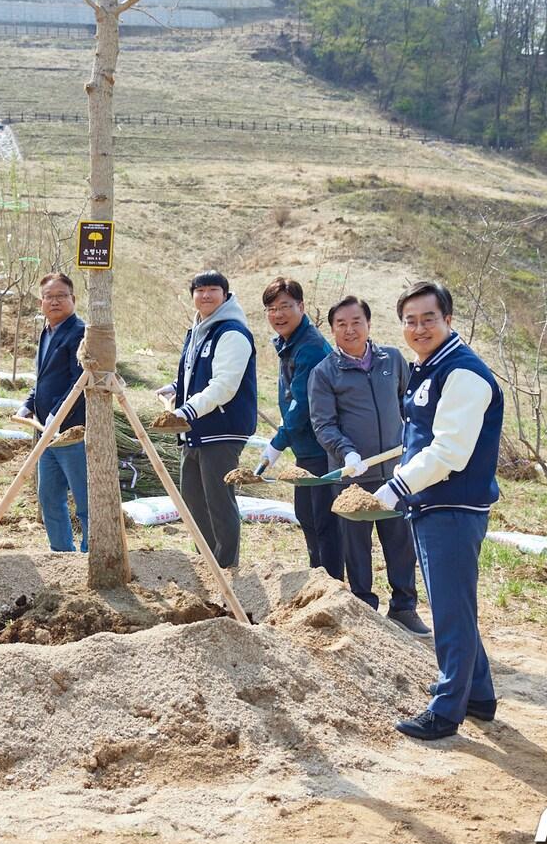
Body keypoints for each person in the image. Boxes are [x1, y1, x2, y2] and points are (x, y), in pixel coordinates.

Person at [372, 281, 504, 740]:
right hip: (432, 503)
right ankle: (479, 695)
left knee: (450, 610)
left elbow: (450, 451)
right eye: (410, 320)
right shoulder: (431, 367)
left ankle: (446, 712)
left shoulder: (463, 373)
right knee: (456, 606)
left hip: (453, 505)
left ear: (448, 319)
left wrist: (396, 485)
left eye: (429, 318)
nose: (419, 328)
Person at [308, 295, 430, 637]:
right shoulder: (325, 373)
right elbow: (324, 424)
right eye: (341, 325)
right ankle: (365, 608)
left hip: (395, 474)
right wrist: (346, 453)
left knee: (400, 542)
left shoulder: (391, 359)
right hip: (353, 478)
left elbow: (412, 403)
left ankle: (404, 608)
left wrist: (413, 438)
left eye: (356, 322)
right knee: (356, 547)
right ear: (332, 330)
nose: (349, 330)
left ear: (368, 324)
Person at [155, 270, 257, 569]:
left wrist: (185, 411)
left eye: (213, 289)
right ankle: (207, 563)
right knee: (194, 502)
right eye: (200, 290)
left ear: (225, 295)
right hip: (195, 429)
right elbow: (199, 372)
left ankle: (226, 568)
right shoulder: (200, 329)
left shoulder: (232, 332)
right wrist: (177, 389)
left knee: (219, 504)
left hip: (221, 429)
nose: (206, 295)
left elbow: (224, 385)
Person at [256, 277, 340, 576]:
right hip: (306, 448)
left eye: (285, 306)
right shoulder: (290, 343)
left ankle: (332, 584)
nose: (277, 314)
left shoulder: (311, 347)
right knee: (307, 516)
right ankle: (318, 578)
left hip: (323, 448)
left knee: (323, 521)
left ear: (301, 307)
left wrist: (277, 443)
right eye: (271, 308)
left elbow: (303, 404)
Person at [15, 272, 88, 552]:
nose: (54, 301)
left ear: (73, 299)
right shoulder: (46, 331)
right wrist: (29, 403)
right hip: (46, 434)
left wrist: (55, 414)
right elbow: (44, 378)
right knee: (49, 497)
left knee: (84, 500)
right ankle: (61, 553)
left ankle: (89, 554)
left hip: (71, 432)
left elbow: (77, 382)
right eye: (49, 296)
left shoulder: (79, 333)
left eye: (61, 296)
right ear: (41, 302)